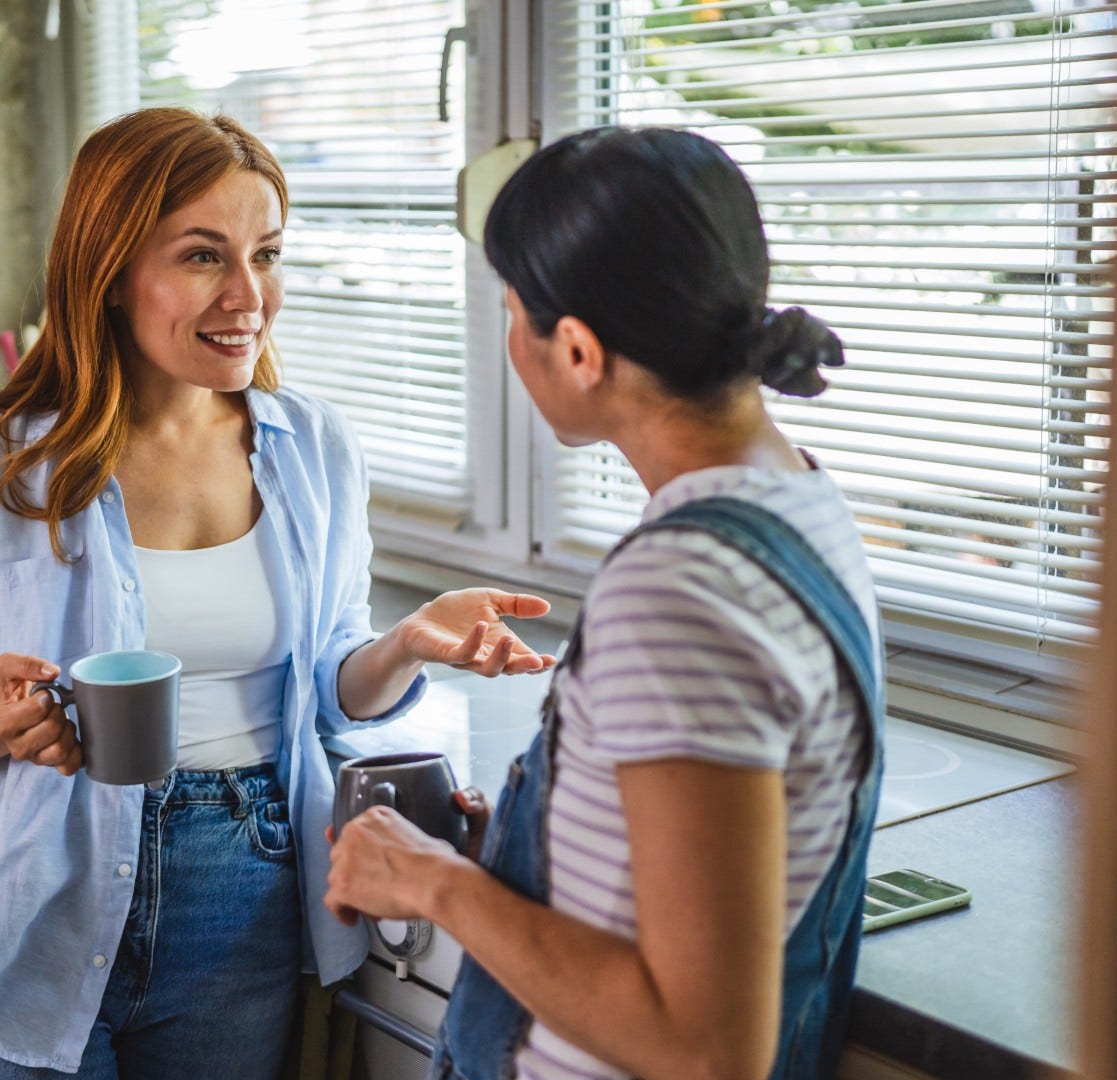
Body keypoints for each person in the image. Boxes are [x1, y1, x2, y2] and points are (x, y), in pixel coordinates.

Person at [0, 107, 555, 1080]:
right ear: (109, 271)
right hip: (33, 899)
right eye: (204, 256)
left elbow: (327, 687)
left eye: (267, 254)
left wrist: (407, 642)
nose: (250, 295)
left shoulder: (314, 448)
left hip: (245, 904)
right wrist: (2, 717)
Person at [324, 126, 886, 1080]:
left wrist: (436, 884)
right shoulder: (798, 502)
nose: (507, 337)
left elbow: (706, 1047)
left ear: (578, 350)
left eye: (512, 309)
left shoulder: (679, 592)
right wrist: (517, 856)